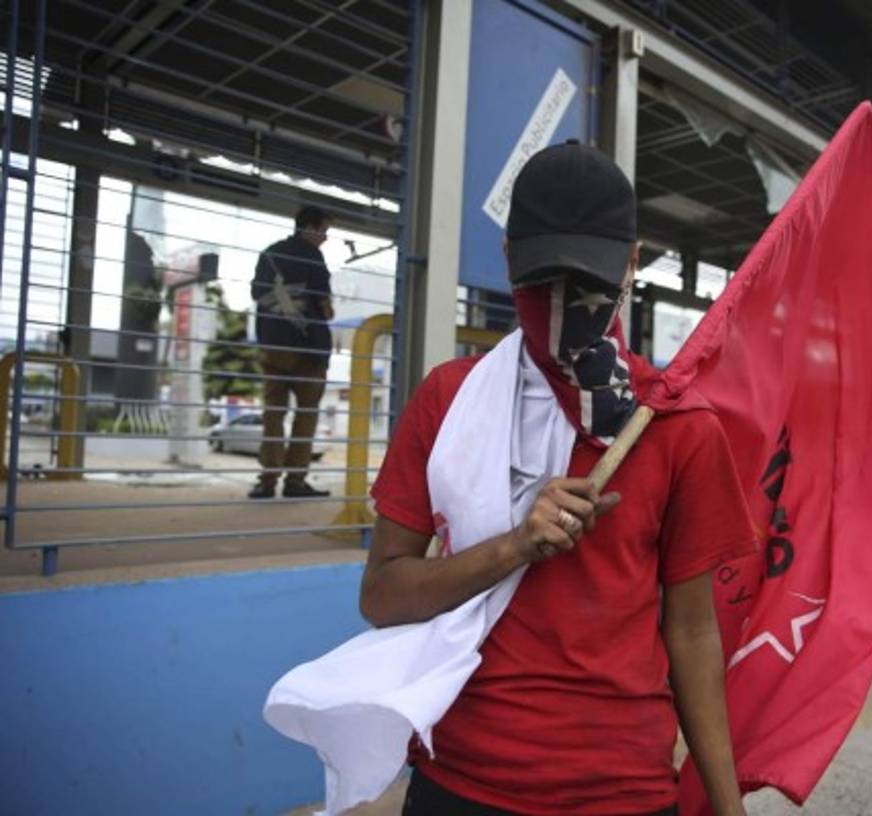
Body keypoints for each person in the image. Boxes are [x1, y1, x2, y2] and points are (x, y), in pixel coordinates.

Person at [362, 142, 756, 815]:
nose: (564, 303)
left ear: (632, 263)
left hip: (622, 792)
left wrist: (728, 806)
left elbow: (692, 633)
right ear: (509, 258)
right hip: (459, 780)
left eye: (588, 280)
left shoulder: (678, 424)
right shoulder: (449, 402)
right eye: (544, 280)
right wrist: (514, 546)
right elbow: (382, 596)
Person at [248, 205, 334, 500]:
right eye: (323, 231)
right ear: (308, 227)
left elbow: (257, 294)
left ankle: (267, 481)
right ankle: (295, 481)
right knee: (305, 415)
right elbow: (324, 303)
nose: (325, 238)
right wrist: (326, 310)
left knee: (273, 414)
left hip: (273, 347)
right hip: (309, 349)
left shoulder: (270, 254)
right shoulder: (313, 256)